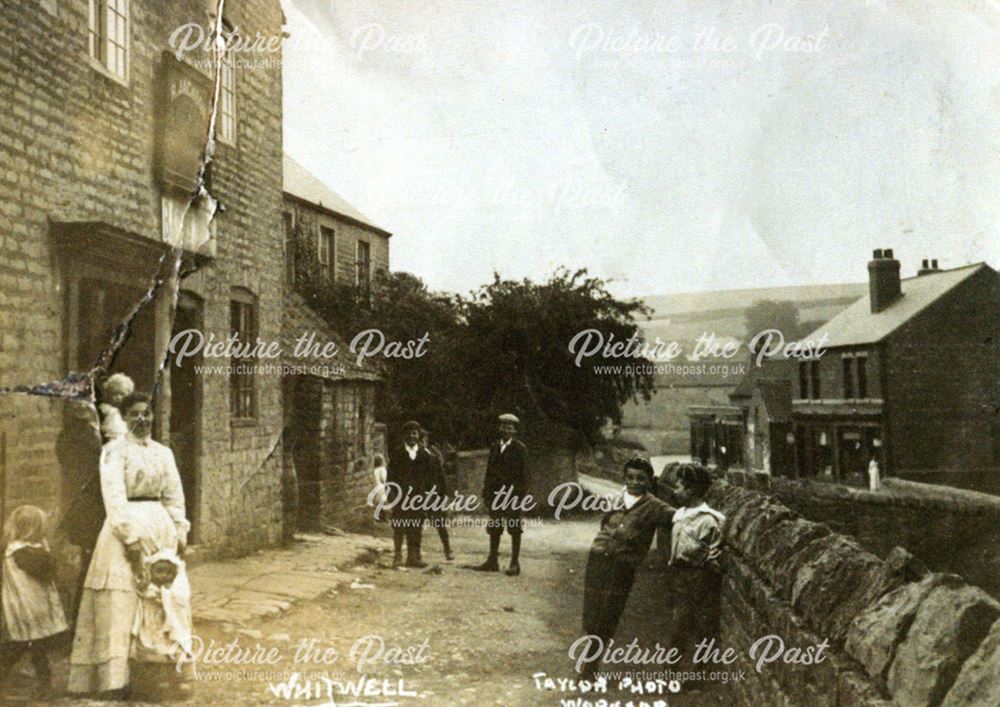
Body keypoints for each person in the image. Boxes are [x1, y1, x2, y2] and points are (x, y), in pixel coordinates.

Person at [67, 392, 190, 697]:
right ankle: (115, 681)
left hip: (160, 530)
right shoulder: (114, 451)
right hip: (126, 529)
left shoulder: (164, 453)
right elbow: (114, 497)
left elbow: (174, 495)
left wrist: (179, 531)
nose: (143, 419)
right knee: (121, 604)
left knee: (162, 600)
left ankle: (158, 674)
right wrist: (130, 539)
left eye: (147, 413)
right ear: (124, 417)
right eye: (135, 414)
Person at [579, 458, 675, 679]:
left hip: (622, 567)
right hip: (598, 559)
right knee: (591, 613)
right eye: (630, 477)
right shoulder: (616, 498)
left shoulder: (655, 507)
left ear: (649, 481)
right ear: (624, 478)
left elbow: (679, 519)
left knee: (608, 614)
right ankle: (589, 659)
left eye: (640, 478)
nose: (634, 482)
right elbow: (605, 524)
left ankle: (590, 667)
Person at [0, 505, 69, 696]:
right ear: (33, 530)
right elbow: (44, 569)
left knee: (28, 646)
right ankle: (43, 685)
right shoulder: (23, 552)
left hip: (27, 607)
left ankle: (42, 685)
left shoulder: (20, 549)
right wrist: (50, 552)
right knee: (28, 646)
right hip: (28, 609)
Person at [666, 463, 725, 666]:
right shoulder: (679, 514)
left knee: (701, 627)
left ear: (691, 490)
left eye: (678, 487)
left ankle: (699, 673)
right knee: (678, 624)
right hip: (679, 576)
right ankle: (672, 669)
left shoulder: (708, 521)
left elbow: (713, 553)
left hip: (699, 577)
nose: (675, 491)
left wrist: (707, 569)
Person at [55, 401, 104, 624]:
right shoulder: (76, 438)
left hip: (89, 507)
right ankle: (80, 623)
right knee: (87, 567)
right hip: (86, 510)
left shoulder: (84, 435)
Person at [129, 549, 193, 701]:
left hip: (170, 626)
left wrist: (167, 596)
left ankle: (179, 680)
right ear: (151, 572)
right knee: (155, 652)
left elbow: (180, 602)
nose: (163, 575)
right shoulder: (149, 587)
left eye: (168, 572)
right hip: (153, 625)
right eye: (159, 571)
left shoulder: (173, 589)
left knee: (174, 650)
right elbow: (142, 593)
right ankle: (158, 681)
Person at [471, 413, 529, 576]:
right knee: (495, 527)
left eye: (509, 428)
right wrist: (487, 492)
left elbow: (524, 476)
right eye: (503, 427)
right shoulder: (495, 446)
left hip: (512, 495)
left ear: (514, 431)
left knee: (514, 528)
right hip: (496, 494)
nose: (506, 430)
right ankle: (492, 561)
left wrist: (519, 497)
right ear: (499, 428)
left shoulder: (520, 449)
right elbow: (489, 471)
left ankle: (514, 563)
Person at [387, 421, 436, 569]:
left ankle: (413, 557)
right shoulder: (397, 453)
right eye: (408, 433)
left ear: (418, 435)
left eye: (414, 433)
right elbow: (391, 477)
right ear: (404, 435)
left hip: (418, 497)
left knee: (416, 527)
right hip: (401, 496)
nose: (411, 436)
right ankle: (397, 556)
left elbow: (429, 478)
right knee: (400, 526)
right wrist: (393, 496)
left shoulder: (424, 454)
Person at [421, 429, 453, 561]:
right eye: (419, 441)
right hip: (416, 496)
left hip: (433, 496)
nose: (421, 443)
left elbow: (441, 479)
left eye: (423, 440)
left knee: (439, 523)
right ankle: (416, 553)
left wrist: (444, 497)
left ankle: (447, 548)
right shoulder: (411, 458)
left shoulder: (433, 458)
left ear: (426, 441)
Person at [98, 373, 134, 442]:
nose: (118, 397)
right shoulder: (105, 409)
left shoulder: (128, 411)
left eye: (122, 394)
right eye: (114, 394)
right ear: (108, 394)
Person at [369, 454, 389, 523]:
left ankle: (379, 517)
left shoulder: (374, 470)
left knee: (378, 502)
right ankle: (384, 518)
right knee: (383, 502)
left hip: (376, 487)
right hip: (381, 487)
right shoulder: (382, 469)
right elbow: (384, 479)